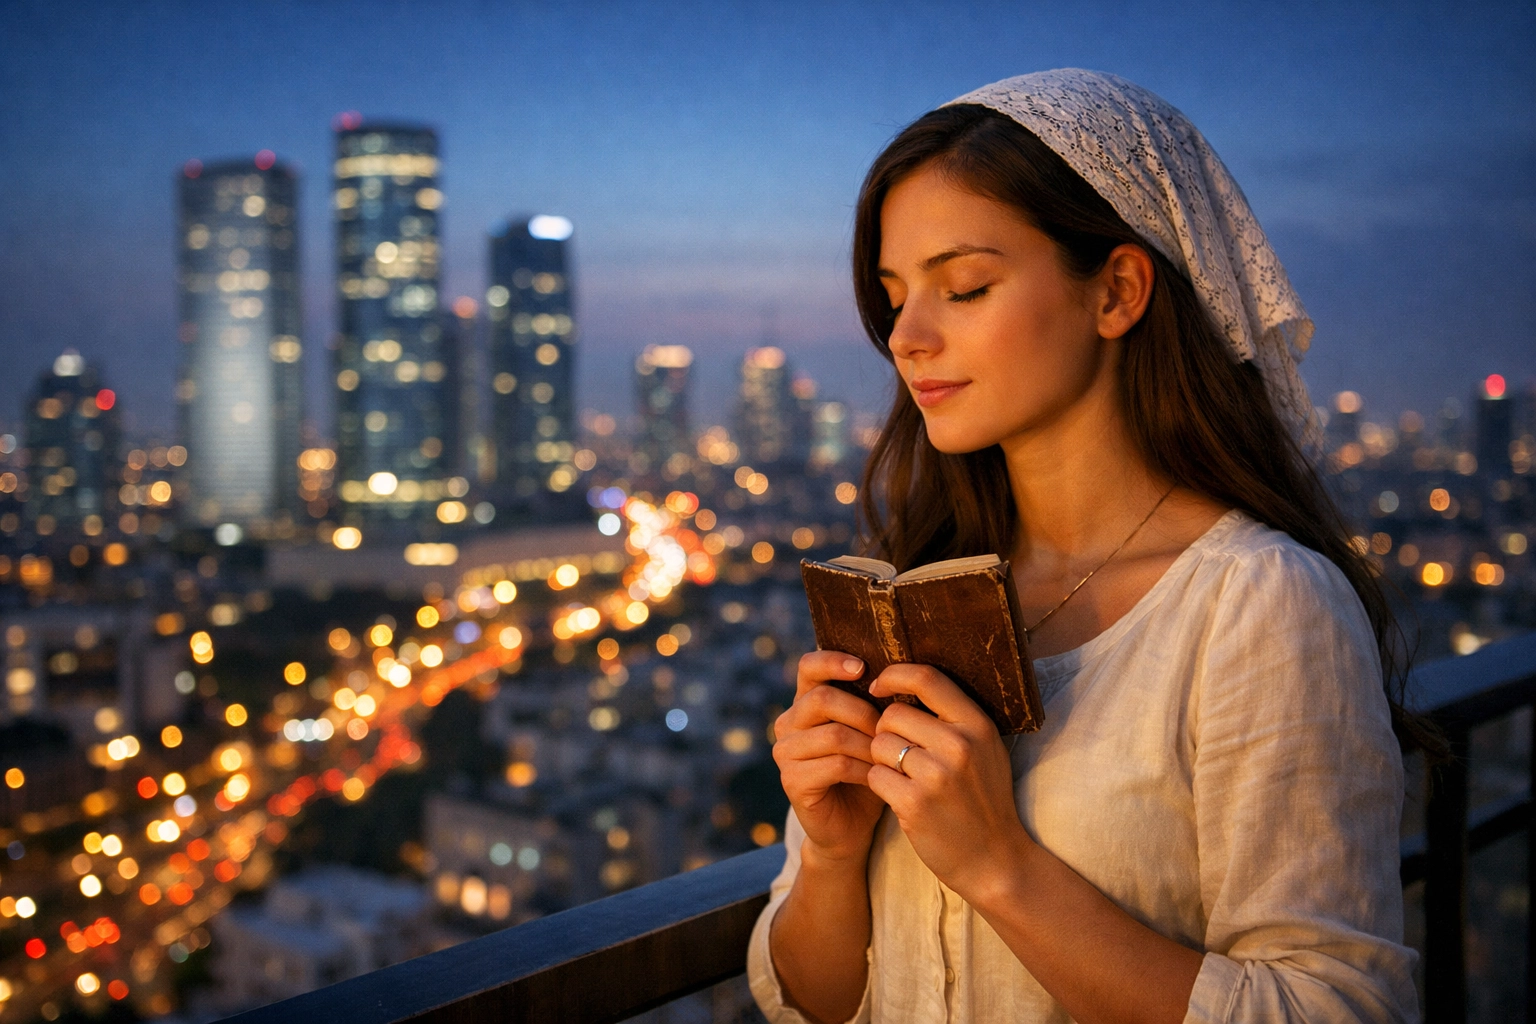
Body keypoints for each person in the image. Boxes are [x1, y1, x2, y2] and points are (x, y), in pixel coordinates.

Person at [747, 70, 1420, 1024]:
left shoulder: (1258, 605)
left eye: (965, 286)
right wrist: (831, 850)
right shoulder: (924, 599)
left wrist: (999, 868)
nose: (906, 337)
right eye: (893, 298)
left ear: (1116, 290)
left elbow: (1340, 1008)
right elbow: (804, 1002)